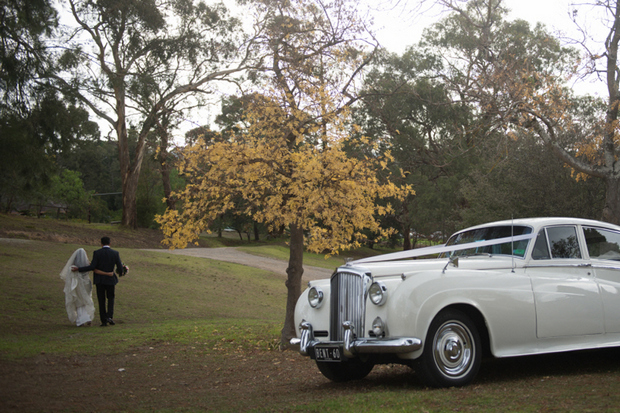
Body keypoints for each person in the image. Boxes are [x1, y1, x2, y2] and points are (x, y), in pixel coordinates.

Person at [71, 236, 126, 327]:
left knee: (101, 300)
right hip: (110, 280)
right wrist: (121, 272)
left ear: (101, 243)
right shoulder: (115, 253)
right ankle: (109, 316)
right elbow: (119, 268)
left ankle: (103, 321)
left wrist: (79, 269)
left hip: (100, 280)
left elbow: (92, 267)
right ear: (110, 243)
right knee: (111, 298)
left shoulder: (97, 253)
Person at [60, 248, 115, 327]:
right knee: (87, 299)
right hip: (86, 284)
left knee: (79, 301)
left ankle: (81, 320)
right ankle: (88, 317)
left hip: (78, 285)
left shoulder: (73, 268)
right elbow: (92, 268)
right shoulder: (88, 265)